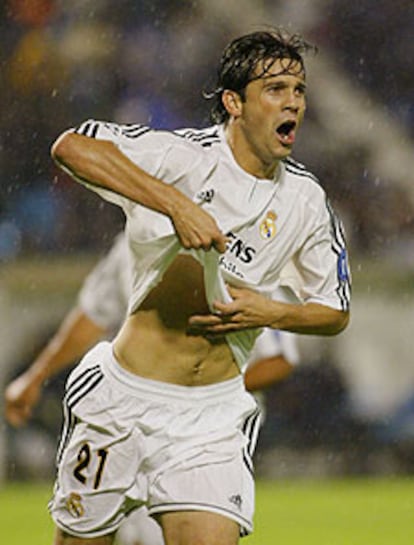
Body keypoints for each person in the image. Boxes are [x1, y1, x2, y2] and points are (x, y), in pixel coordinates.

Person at [48, 28, 350, 545]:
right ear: (235, 102)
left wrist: (270, 313)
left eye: (298, 89)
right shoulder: (183, 158)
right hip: (122, 402)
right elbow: (71, 146)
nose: (293, 102)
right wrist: (176, 204)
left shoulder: (305, 200)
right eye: (275, 89)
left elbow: (334, 311)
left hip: (209, 420)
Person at [4, 231, 299, 545]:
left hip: (206, 432)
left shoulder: (241, 251)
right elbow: (93, 314)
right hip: (128, 415)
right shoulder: (131, 244)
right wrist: (35, 377)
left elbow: (279, 358)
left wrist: (200, 388)